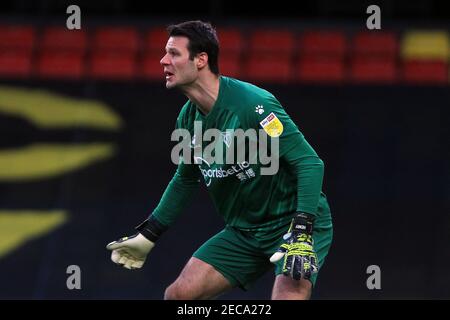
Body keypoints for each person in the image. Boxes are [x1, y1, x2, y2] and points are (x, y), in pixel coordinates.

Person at [106, 20, 333, 300]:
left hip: (292, 225)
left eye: (174, 53)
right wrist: (149, 234)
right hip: (244, 232)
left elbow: (310, 163)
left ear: (201, 59)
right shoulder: (187, 119)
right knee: (177, 297)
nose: (163, 60)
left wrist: (301, 230)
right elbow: (185, 179)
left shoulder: (254, 105)